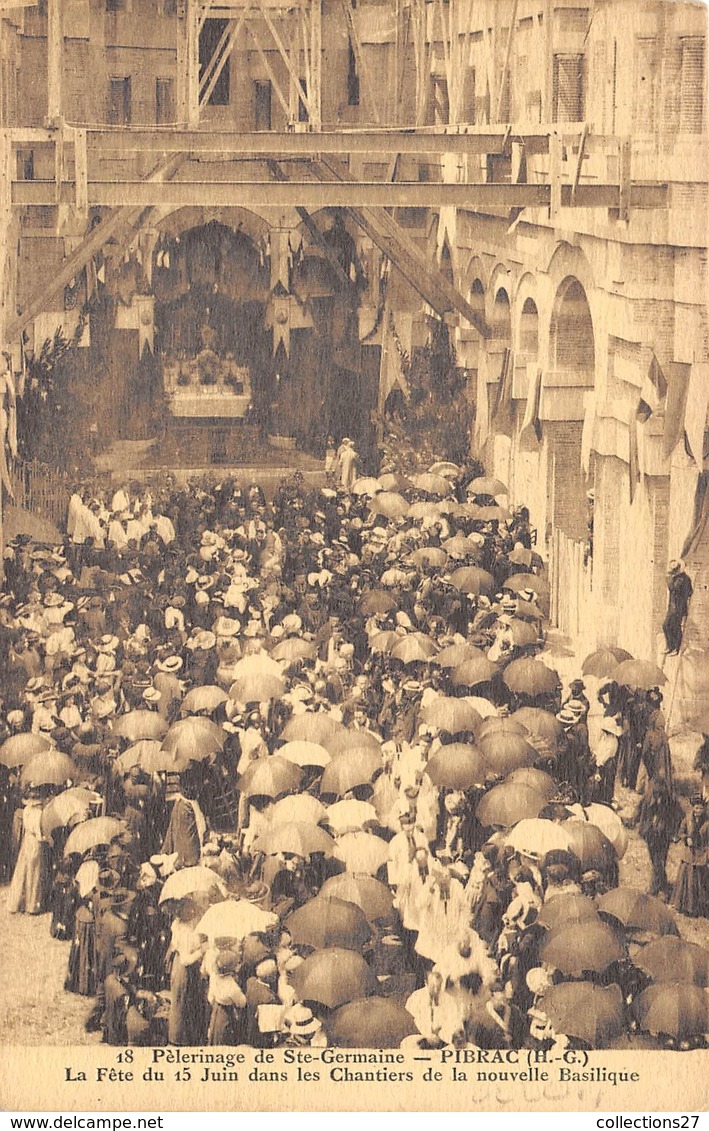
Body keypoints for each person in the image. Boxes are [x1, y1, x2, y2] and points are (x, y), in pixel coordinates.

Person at [7, 786, 51, 915]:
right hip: (35, 842)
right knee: (34, 873)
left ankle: (16, 903)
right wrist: (47, 839)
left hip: (26, 841)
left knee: (22, 870)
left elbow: (27, 827)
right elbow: (38, 833)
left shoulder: (26, 810)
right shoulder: (39, 813)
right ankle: (31, 906)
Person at [671, 797, 709, 917]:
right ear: (693, 808)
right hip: (688, 853)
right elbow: (680, 832)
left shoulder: (707, 823)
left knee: (697, 882)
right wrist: (686, 838)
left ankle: (695, 908)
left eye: (701, 808)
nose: (698, 810)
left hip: (700, 855)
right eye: (696, 808)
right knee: (685, 880)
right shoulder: (687, 819)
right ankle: (681, 905)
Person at [662, 560, 693, 655]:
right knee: (666, 625)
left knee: (675, 627)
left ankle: (676, 648)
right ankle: (670, 646)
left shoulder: (682, 579)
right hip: (672, 608)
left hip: (679, 608)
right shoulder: (677, 578)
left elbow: (674, 588)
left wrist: (668, 579)